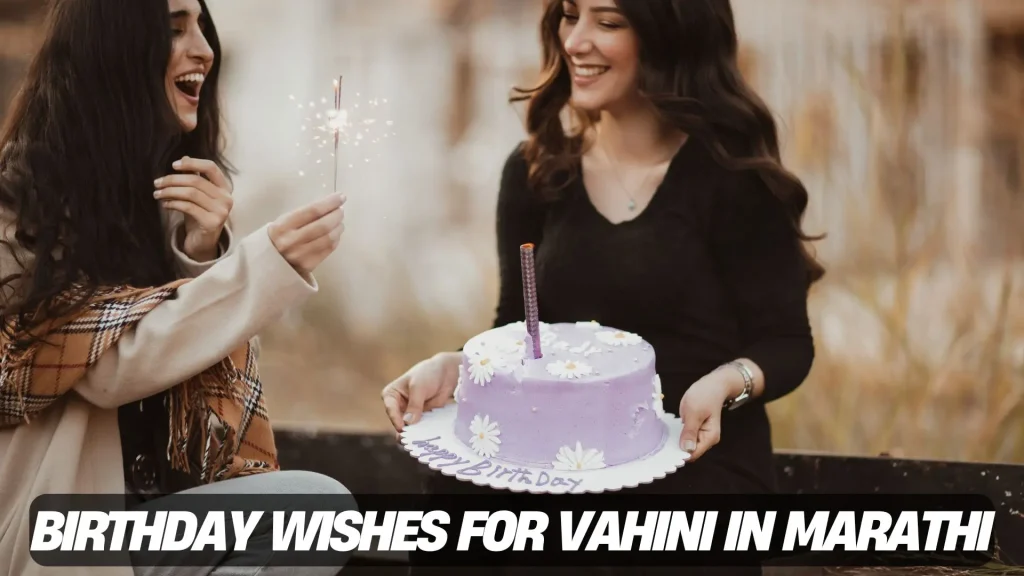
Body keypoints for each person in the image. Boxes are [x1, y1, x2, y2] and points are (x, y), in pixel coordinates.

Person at [381, 0, 822, 574]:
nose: (575, 41)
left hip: (695, 467)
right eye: (569, 15)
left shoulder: (737, 181)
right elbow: (517, 326)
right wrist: (461, 365)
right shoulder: (536, 172)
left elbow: (787, 343)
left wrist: (724, 384)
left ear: (669, 34)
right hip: (557, 463)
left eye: (608, 22)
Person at [0, 0, 351, 575]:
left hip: (154, 519)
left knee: (316, 512)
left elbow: (202, 373)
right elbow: (110, 370)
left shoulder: (162, 203)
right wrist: (261, 269)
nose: (205, 50)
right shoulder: (20, 209)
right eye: (174, 29)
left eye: (203, 27)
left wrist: (201, 255)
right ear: (112, 51)